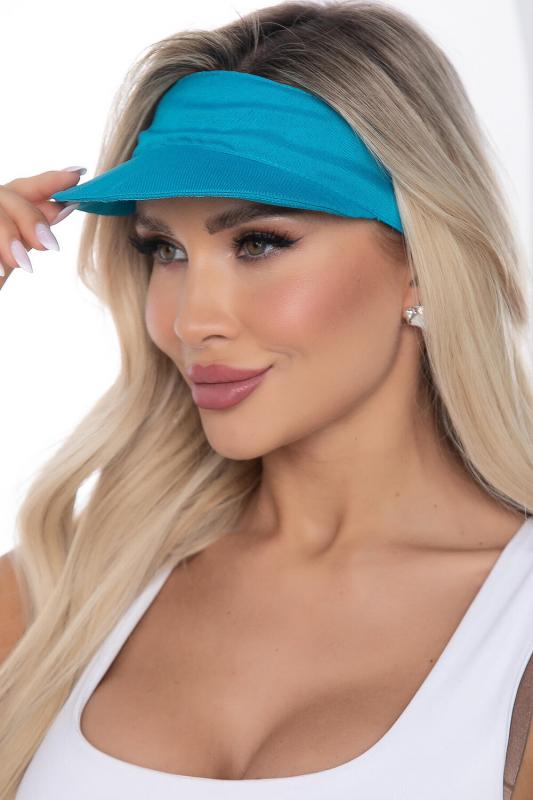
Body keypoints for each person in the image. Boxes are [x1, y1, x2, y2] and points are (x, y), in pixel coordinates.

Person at [0, 1, 532, 797]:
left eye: (258, 242)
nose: (192, 321)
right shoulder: (65, 588)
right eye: (164, 249)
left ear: (419, 261)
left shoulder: (513, 625)